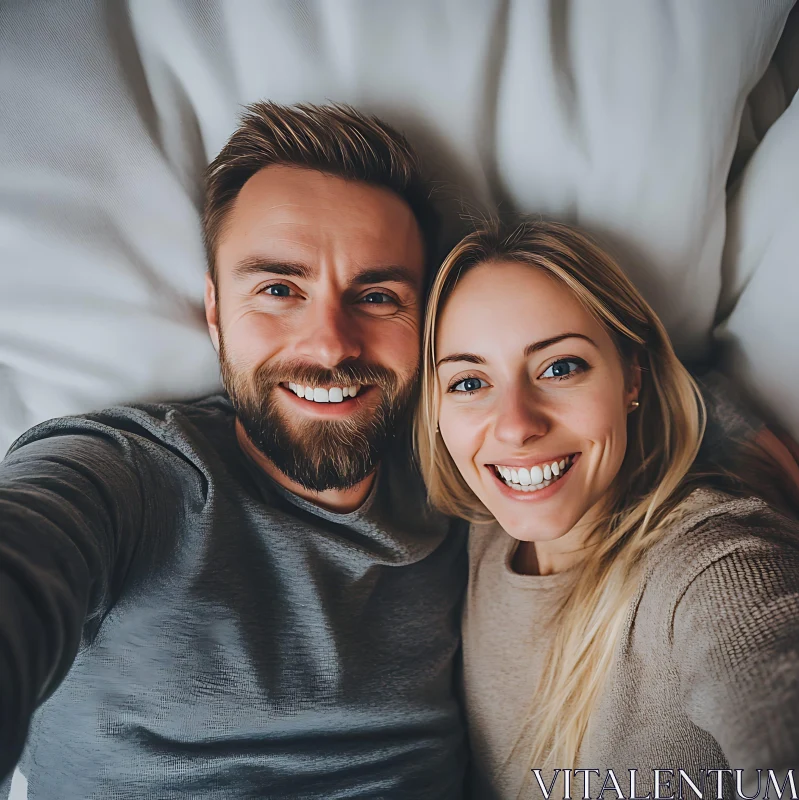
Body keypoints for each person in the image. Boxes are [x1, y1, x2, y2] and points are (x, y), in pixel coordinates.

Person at [0, 102, 468, 799]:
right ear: (216, 314)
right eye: (279, 289)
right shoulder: (130, 475)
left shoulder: (476, 469)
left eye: (375, 295)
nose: (331, 344)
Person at [414, 219, 799, 800]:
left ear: (631, 377)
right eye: (469, 382)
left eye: (561, 367)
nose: (518, 426)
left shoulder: (711, 565)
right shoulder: (474, 534)